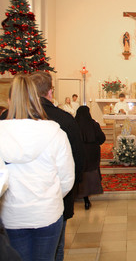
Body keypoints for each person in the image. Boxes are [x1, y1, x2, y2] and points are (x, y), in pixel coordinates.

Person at [0, 74, 75, 261]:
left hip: (12, 214)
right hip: (47, 212)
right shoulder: (55, 132)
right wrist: (51, 197)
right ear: (37, 100)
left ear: (9, 101)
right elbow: (66, 178)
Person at [30, 71, 85, 261]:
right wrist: (66, 191)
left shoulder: (7, 119)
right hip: (55, 199)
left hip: (14, 207)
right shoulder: (63, 120)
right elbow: (77, 159)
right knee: (54, 250)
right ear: (50, 92)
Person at [75, 106, 106, 210]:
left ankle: (85, 198)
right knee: (91, 173)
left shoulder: (74, 124)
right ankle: (92, 191)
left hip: (79, 152)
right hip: (92, 153)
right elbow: (102, 138)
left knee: (82, 175)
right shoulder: (94, 124)